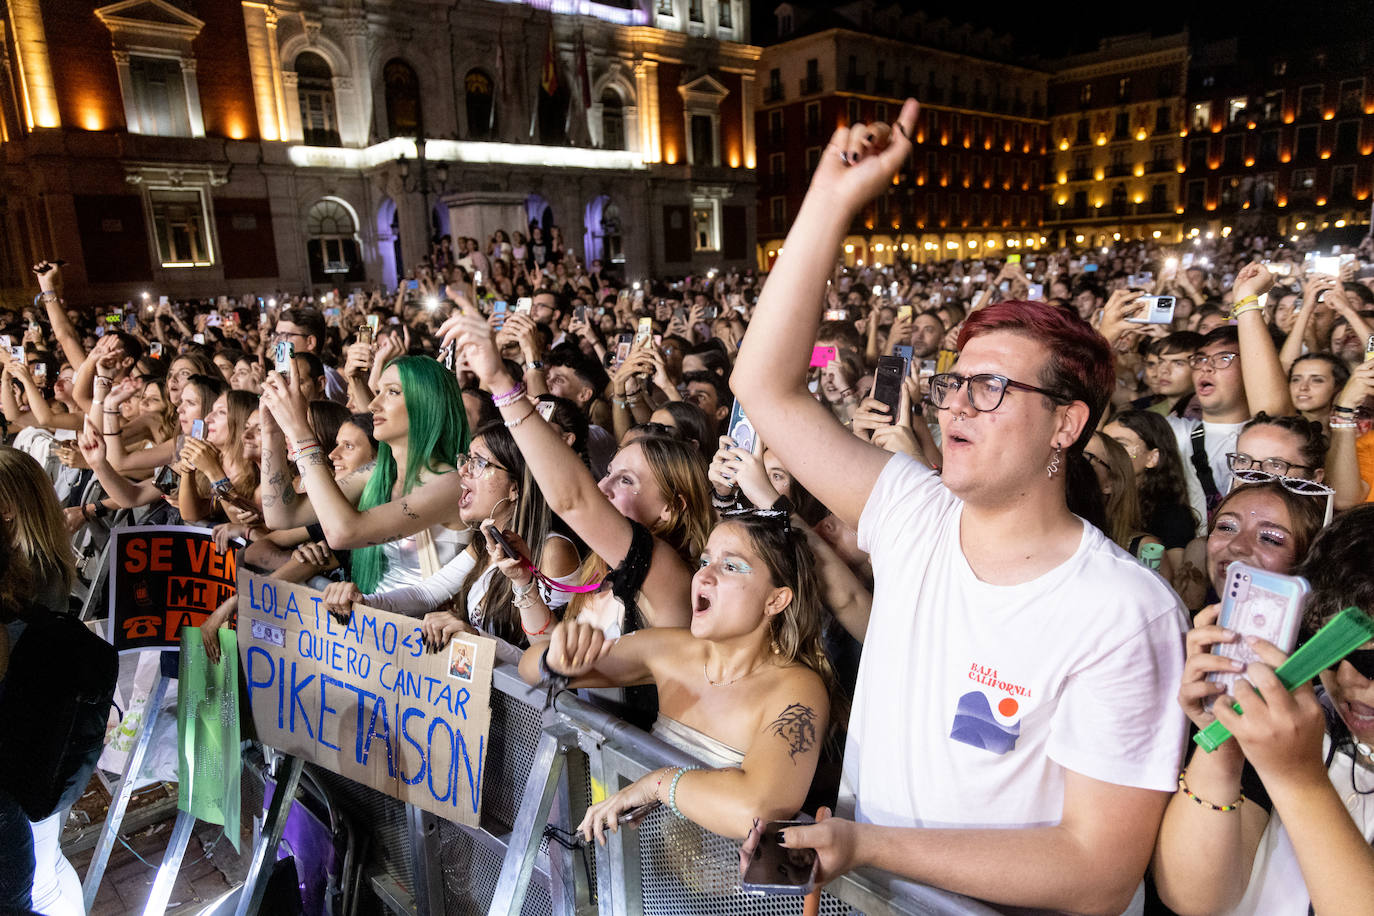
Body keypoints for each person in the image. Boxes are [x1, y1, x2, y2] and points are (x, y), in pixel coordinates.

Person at [730, 99, 1188, 914]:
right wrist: (830, 202)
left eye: (992, 388)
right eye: (954, 384)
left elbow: (1096, 869)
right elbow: (764, 388)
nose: (954, 408)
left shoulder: (1124, 612)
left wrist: (871, 845)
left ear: (1066, 423)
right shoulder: (916, 513)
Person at [518, 510, 834, 843]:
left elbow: (756, 811)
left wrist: (657, 784)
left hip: (725, 892)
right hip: (646, 880)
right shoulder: (672, 649)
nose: (705, 576)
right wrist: (555, 659)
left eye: (730, 566)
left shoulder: (797, 689)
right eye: (705, 562)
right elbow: (529, 668)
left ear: (775, 599)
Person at [1152, 504, 1374, 916]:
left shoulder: (1293, 750)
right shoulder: (1295, 727)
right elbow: (1193, 899)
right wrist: (1225, 742)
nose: (1347, 678)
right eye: (1324, 648)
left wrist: (1298, 780)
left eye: (1369, 661)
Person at [258, 355, 470, 595]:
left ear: (428, 404)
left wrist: (300, 432)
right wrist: (272, 432)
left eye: (392, 392)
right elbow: (281, 515)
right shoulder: (376, 472)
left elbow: (342, 534)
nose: (373, 405)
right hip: (377, 619)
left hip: (419, 626)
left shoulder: (451, 484)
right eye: (378, 391)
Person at [1103, 409, 1196, 571]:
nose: (1107, 454)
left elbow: (1171, 586)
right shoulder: (1090, 501)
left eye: (1120, 445)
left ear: (1152, 458)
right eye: (1104, 444)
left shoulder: (1173, 517)